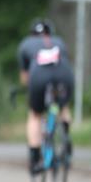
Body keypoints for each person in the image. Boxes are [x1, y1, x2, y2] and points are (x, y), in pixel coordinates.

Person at [17, 19, 75, 172]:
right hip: (64, 75)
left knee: (35, 115)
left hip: (39, 77)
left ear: (32, 34)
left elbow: (25, 78)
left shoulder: (26, 44)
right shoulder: (59, 41)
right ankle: (65, 137)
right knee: (63, 106)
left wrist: (29, 90)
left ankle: (35, 159)